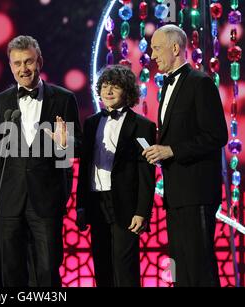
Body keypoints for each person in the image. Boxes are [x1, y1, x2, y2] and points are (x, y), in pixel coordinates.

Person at [0, 35, 82, 286]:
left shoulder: (64, 99)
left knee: (48, 270)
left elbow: (79, 146)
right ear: (10, 66)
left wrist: (65, 143)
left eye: (28, 61)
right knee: (11, 272)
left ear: (39, 61)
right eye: (17, 63)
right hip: (10, 201)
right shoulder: (0, 102)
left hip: (47, 200)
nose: (23, 69)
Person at [143, 24, 228, 287]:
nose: (152, 55)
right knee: (180, 268)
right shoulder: (166, 86)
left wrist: (172, 150)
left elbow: (216, 136)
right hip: (176, 193)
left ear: (175, 48)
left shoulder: (200, 83)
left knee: (198, 265)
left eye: (156, 48)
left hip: (197, 192)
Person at [76, 65, 156, 287]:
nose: (108, 91)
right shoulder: (91, 123)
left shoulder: (142, 126)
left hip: (126, 205)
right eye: (104, 86)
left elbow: (147, 172)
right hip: (96, 202)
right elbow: (84, 168)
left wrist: (142, 212)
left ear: (128, 91)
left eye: (115, 86)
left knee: (125, 268)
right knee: (102, 267)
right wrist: (81, 205)